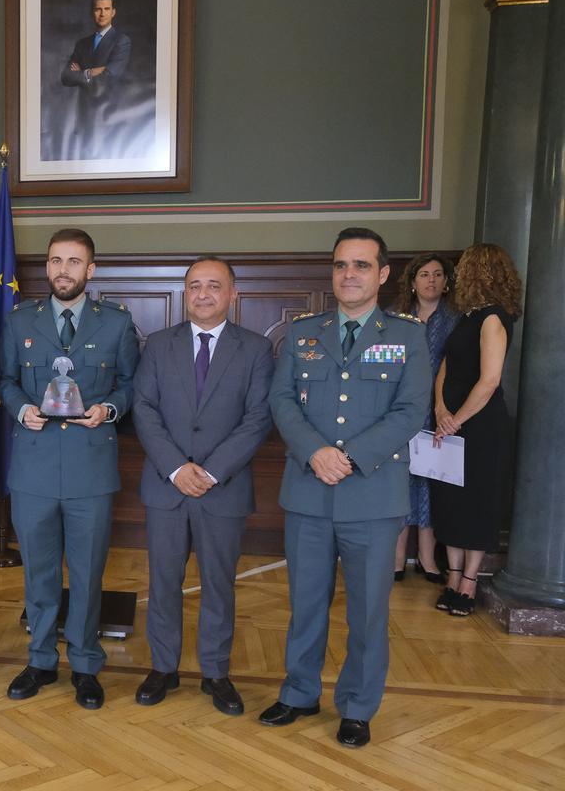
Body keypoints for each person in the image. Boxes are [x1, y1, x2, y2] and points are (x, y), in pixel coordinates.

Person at [259, 227, 431, 748]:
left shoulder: (407, 336)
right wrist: (315, 451)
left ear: (382, 275)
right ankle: (299, 691)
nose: (349, 274)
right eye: (340, 265)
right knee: (305, 602)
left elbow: (411, 410)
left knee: (367, 609)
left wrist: (350, 457)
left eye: (360, 265)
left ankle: (357, 706)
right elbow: (281, 400)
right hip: (310, 490)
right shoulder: (304, 332)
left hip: (372, 495)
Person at [0, 228, 139, 710]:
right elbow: (5, 380)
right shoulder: (20, 321)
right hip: (33, 468)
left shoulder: (117, 323)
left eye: (74, 262)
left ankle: (85, 664)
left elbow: (130, 385)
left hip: (90, 470)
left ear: (91, 270)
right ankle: (39, 660)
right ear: (47, 267)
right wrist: (20, 409)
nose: (63, 270)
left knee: (86, 573)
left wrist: (109, 410)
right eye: (56, 261)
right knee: (38, 573)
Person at [131, 257, 274, 714]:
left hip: (223, 489)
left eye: (214, 286)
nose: (204, 294)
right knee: (164, 581)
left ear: (233, 293)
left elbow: (258, 418)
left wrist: (210, 471)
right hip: (166, 486)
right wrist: (177, 468)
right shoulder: (157, 345)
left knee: (219, 584)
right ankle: (164, 667)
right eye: (195, 286)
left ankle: (216, 672)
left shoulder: (254, 349)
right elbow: (145, 410)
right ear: (184, 293)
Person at [430, 244, 522, 617]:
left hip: (480, 428)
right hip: (449, 422)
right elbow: (444, 369)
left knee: (476, 504)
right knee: (448, 500)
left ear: (479, 271)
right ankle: (452, 576)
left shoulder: (495, 318)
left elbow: (489, 381)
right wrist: (440, 408)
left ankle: (468, 583)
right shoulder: (466, 316)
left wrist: (457, 419)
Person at [389, 255, 459, 583]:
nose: (430, 280)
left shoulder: (457, 319)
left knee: (431, 484)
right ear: (412, 281)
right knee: (401, 482)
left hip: (440, 413)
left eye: (437, 274)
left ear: (447, 281)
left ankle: (429, 559)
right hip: (401, 411)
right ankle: (398, 557)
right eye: (424, 274)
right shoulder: (394, 319)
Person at [59, 0, 131, 159]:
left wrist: (82, 72)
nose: (102, 13)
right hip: (84, 119)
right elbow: (65, 76)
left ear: (113, 12)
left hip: (109, 118)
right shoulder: (82, 43)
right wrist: (92, 72)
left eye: (106, 9)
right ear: (92, 12)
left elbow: (110, 76)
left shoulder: (121, 41)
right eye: (98, 9)